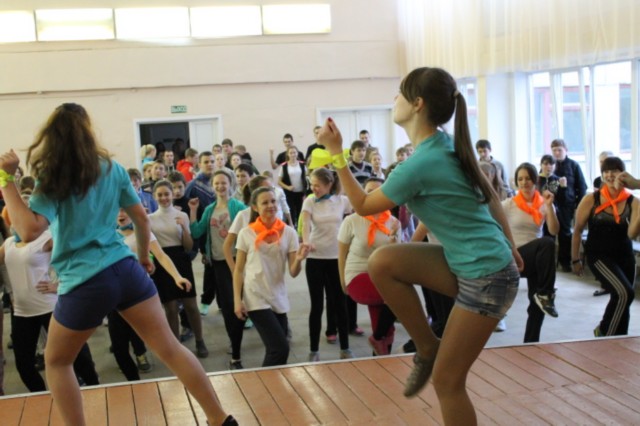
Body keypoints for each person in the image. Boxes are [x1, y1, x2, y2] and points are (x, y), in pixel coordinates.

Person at [0, 103, 235, 426]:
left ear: (51, 137)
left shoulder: (53, 176)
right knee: (170, 347)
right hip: (125, 270)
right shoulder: (111, 168)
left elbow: (28, 230)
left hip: (85, 280)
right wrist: (143, 258)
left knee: (56, 363)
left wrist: (6, 179)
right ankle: (220, 418)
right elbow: (141, 219)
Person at [318, 67, 522, 425]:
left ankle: (430, 351)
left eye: (400, 92)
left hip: (487, 277)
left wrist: (337, 155)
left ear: (417, 103)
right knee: (382, 262)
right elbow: (489, 195)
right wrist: (511, 245)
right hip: (474, 264)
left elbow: (362, 206)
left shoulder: (419, 164)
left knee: (447, 382)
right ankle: (427, 345)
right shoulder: (444, 145)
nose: (394, 99)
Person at [0, 224, 100, 392]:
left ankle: (95, 388)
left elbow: (81, 256)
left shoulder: (46, 238)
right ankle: (42, 398)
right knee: (24, 366)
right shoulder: (9, 243)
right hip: (22, 312)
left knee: (78, 357)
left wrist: (59, 284)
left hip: (51, 308)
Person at [233, 187, 309, 367]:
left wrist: (299, 259)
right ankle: (264, 382)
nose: (271, 205)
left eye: (273, 201)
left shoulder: (288, 232)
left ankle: (273, 381)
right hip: (255, 295)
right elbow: (238, 270)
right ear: (255, 207)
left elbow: (293, 272)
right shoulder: (246, 233)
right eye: (265, 202)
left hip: (277, 295)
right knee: (280, 349)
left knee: (276, 349)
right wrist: (237, 300)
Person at [572, 157, 639, 337]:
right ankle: (605, 333)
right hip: (599, 255)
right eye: (606, 171)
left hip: (625, 256)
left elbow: (632, 234)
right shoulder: (591, 199)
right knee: (624, 293)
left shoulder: (633, 201)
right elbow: (577, 231)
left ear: (623, 174)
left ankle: (620, 338)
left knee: (623, 299)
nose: (610, 175)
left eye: (614, 171)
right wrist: (575, 259)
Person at [189, 169, 247, 369]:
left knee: (237, 302)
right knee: (228, 305)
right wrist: (193, 211)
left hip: (237, 261)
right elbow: (197, 231)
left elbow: (248, 231)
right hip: (218, 263)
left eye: (224, 182)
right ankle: (234, 339)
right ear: (212, 186)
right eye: (217, 183)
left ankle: (238, 342)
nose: (220, 186)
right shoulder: (209, 209)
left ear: (230, 184)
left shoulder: (238, 207)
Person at [338, 177, 400, 355]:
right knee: (395, 296)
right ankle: (378, 339)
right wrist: (342, 281)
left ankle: (380, 351)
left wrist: (394, 238)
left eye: (379, 191)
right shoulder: (352, 220)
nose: (374, 195)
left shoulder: (393, 221)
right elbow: (341, 254)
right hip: (358, 275)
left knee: (384, 324)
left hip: (382, 276)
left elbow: (396, 257)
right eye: (369, 191)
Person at [149, 181, 208, 358]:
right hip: (162, 262)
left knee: (191, 305)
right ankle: (175, 347)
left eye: (166, 194)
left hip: (181, 259)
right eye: (160, 194)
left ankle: (199, 340)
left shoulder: (182, 215)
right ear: (154, 196)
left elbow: (189, 246)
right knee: (171, 307)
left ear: (172, 194)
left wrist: (184, 228)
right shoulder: (149, 219)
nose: (164, 198)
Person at [503, 163, 560, 343]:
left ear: (535, 180)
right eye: (520, 179)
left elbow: (554, 229)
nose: (524, 182)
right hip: (515, 256)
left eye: (528, 178)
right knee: (546, 243)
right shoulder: (509, 204)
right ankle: (546, 293)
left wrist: (549, 206)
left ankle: (531, 342)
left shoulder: (544, 203)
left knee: (537, 305)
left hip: (536, 258)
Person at [301, 168, 354, 361]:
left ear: (329, 184)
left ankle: (345, 348)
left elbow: (353, 218)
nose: (313, 188)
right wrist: (306, 241)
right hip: (316, 258)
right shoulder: (309, 201)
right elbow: (305, 224)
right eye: (311, 184)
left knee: (340, 302)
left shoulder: (342, 201)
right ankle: (314, 350)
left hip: (337, 258)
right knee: (316, 305)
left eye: (317, 185)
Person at [551, 138, 587, 272]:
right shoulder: (549, 165)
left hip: (567, 205)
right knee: (549, 233)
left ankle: (565, 262)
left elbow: (582, 187)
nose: (557, 153)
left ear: (566, 150)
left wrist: (580, 205)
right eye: (554, 150)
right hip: (551, 204)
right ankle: (549, 261)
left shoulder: (574, 165)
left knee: (565, 234)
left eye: (559, 150)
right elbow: (543, 183)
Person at [278, 145, 307, 227]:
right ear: (288, 154)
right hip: (289, 193)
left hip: (300, 192)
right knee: (291, 211)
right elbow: (279, 181)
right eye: (291, 153)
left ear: (297, 153)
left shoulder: (302, 165)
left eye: (294, 152)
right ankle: (292, 227)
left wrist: (306, 191)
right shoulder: (284, 166)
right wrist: (287, 187)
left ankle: (300, 228)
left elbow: (307, 177)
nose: (293, 154)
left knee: (300, 211)